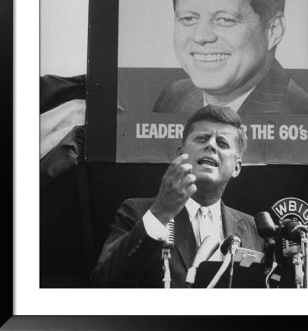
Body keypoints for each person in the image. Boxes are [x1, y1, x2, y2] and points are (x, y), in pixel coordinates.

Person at [91, 104, 263, 288]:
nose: (211, 145)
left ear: (236, 167)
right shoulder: (137, 212)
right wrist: (161, 212)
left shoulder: (254, 229)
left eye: (222, 143)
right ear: (180, 154)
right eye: (202, 138)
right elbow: (103, 285)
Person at [153, 0, 308, 114]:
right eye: (188, 19)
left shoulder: (302, 114)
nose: (201, 36)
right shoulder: (173, 97)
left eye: (225, 20)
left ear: (274, 30)